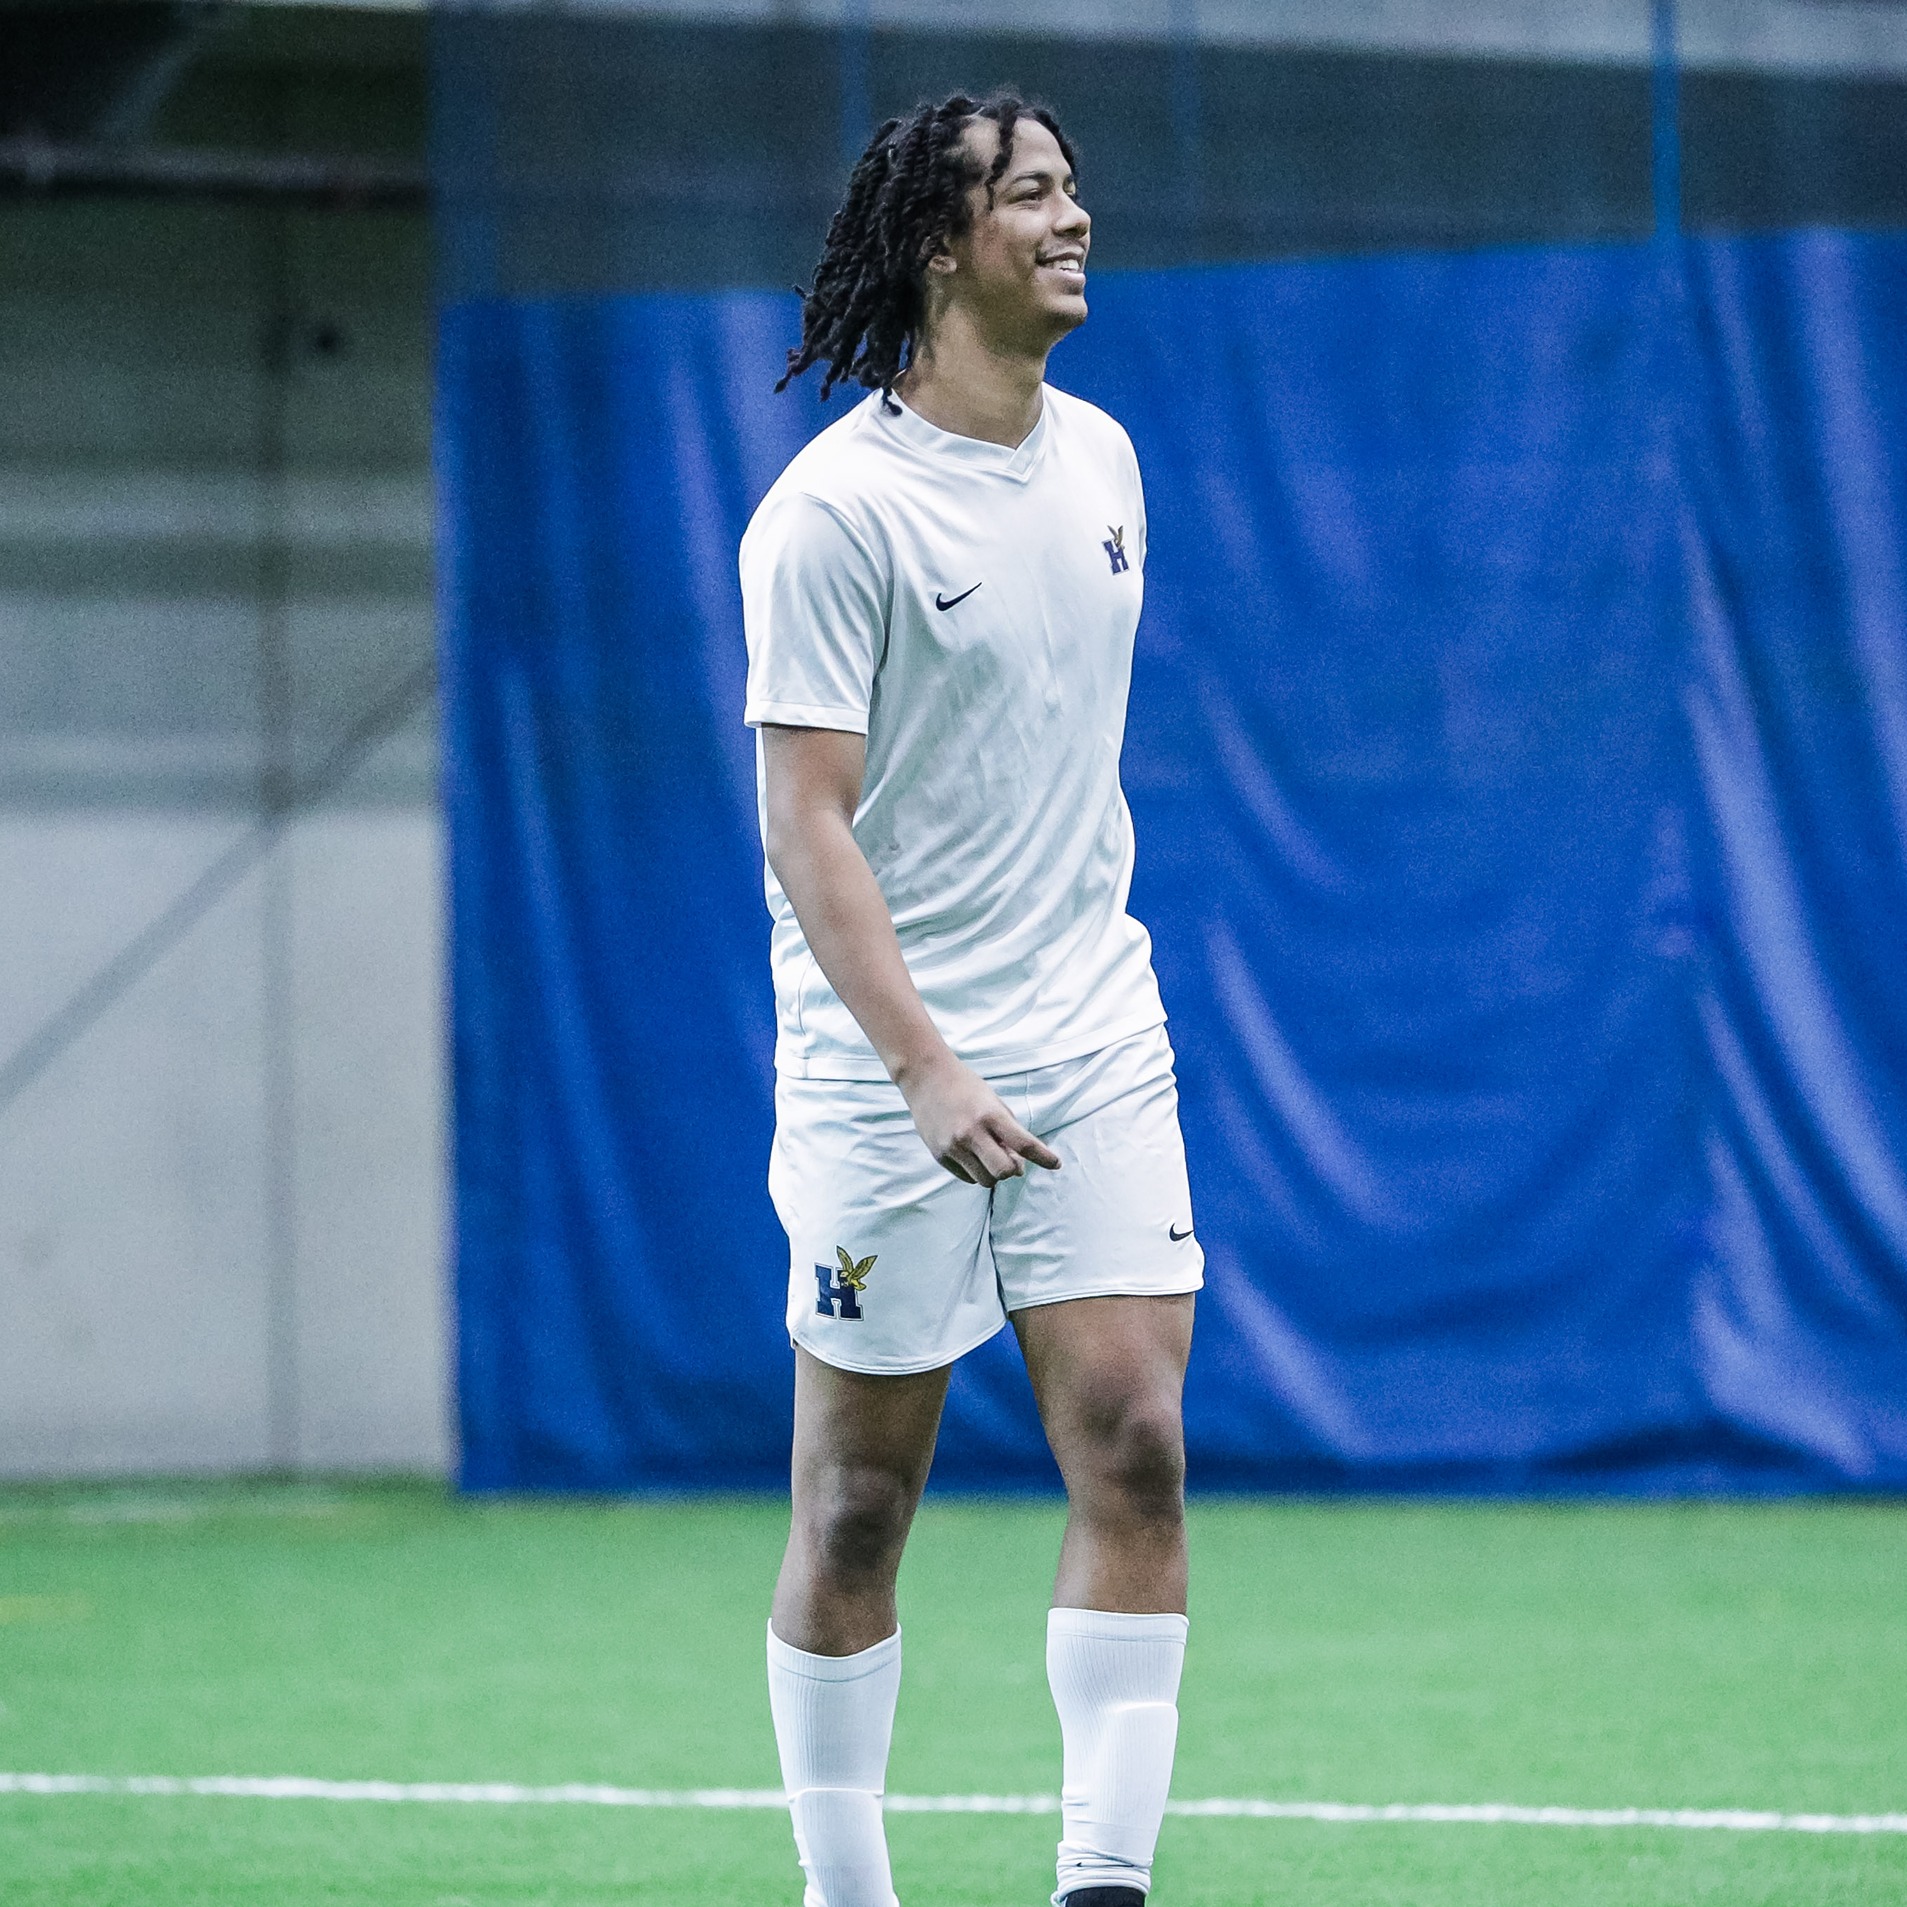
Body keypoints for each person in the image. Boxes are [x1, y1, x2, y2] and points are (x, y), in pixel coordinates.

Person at [740, 90, 1202, 1907]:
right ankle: (847, 1893)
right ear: (944, 247)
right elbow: (806, 820)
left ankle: (1105, 1883)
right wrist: (924, 1065)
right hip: (884, 1071)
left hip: (1094, 1027)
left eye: (1075, 187)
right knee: (859, 1505)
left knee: (1140, 1443)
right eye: (1031, 196)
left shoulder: (1104, 461)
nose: (1074, 219)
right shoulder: (830, 514)